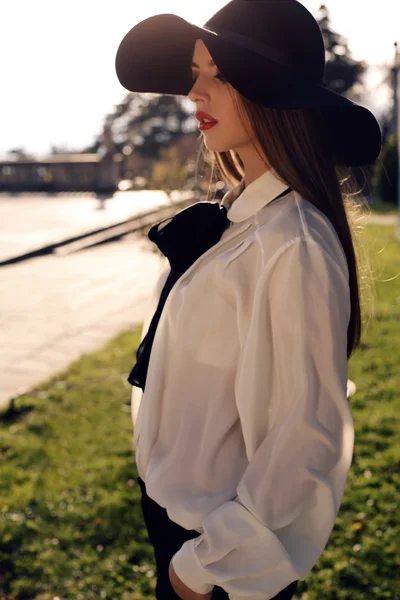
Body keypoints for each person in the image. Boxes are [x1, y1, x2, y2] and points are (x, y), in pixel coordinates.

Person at [115, 1, 382, 599]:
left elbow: (307, 432)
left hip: (220, 564)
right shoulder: (239, 224)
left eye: (220, 74)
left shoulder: (294, 243)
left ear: (271, 92)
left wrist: (203, 566)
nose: (195, 94)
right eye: (194, 72)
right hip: (180, 530)